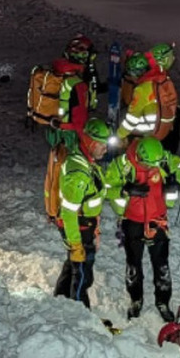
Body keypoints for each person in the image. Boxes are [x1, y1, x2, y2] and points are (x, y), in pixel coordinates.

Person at [105, 136, 180, 321]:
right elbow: (107, 186)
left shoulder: (162, 158)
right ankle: (136, 299)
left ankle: (163, 301)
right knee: (133, 263)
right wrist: (125, 190)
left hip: (157, 220)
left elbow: (179, 166)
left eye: (154, 165)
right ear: (139, 157)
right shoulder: (122, 164)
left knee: (161, 264)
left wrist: (176, 182)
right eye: (149, 165)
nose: (152, 168)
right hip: (132, 222)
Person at [54, 118, 110, 307]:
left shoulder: (84, 159)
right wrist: (76, 244)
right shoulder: (78, 173)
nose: (106, 149)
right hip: (79, 228)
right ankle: (79, 311)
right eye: (103, 145)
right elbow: (69, 213)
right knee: (83, 274)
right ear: (92, 143)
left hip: (85, 224)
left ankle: (60, 299)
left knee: (72, 267)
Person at [116, 47, 179, 147]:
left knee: (123, 118)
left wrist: (119, 135)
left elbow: (132, 117)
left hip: (149, 130)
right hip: (164, 125)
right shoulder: (158, 78)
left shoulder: (142, 89)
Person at [43, 35, 94, 153]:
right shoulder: (78, 85)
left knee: (55, 163)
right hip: (69, 135)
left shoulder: (58, 71)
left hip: (54, 130)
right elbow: (79, 122)